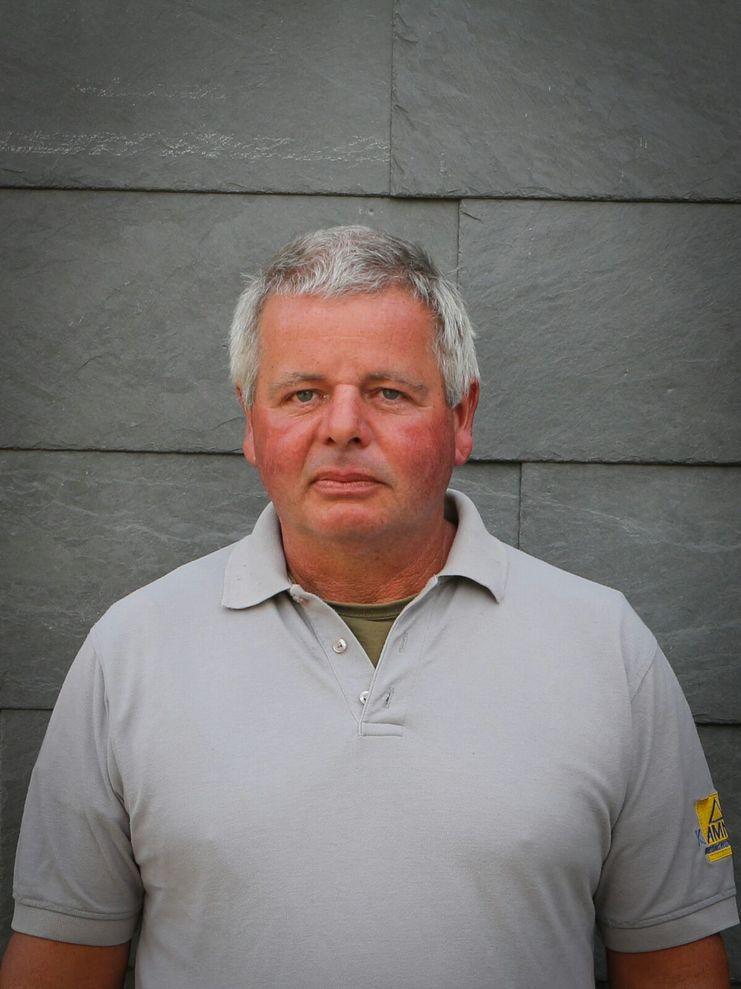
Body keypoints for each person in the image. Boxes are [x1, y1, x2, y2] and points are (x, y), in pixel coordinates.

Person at [1, 226, 737, 989]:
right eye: (303, 393)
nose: (343, 426)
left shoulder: (605, 648)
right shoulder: (132, 650)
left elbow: (675, 966)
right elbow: (57, 967)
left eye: (388, 392)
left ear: (460, 417)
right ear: (250, 420)